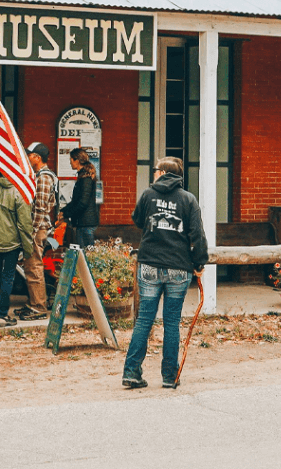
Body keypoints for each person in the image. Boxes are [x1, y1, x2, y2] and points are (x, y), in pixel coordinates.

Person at [122, 156, 208, 390]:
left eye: (155, 170)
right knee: (172, 322)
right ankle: (170, 376)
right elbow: (198, 235)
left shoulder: (149, 195)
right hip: (178, 268)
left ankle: (131, 372)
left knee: (144, 320)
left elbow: (137, 220)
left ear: (162, 173)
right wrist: (199, 264)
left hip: (149, 264)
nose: (153, 174)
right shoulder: (188, 199)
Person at [0, 171, 34, 327]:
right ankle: (2, 315)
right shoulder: (19, 192)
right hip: (11, 241)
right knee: (8, 277)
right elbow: (24, 224)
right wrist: (28, 248)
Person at [16, 142, 57, 321]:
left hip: (37, 228)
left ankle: (38, 306)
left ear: (37, 158)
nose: (27, 158)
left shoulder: (43, 177)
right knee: (31, 266)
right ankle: (33, 302)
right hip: (39, 227)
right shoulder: (41, 176)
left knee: (34, 267)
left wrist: (30, 233)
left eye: (29, 155)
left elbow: (40, 208)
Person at [60, 147, 99, 249]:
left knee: (85, 255)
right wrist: (64, 211)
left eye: (71, 160)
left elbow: (82, 203)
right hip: (83, 222)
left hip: (85, 223)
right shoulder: (83, 177)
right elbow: (76, 201)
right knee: (83, 254)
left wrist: (66, 213)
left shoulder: (85, 179)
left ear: (77, 160)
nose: (70, 163)